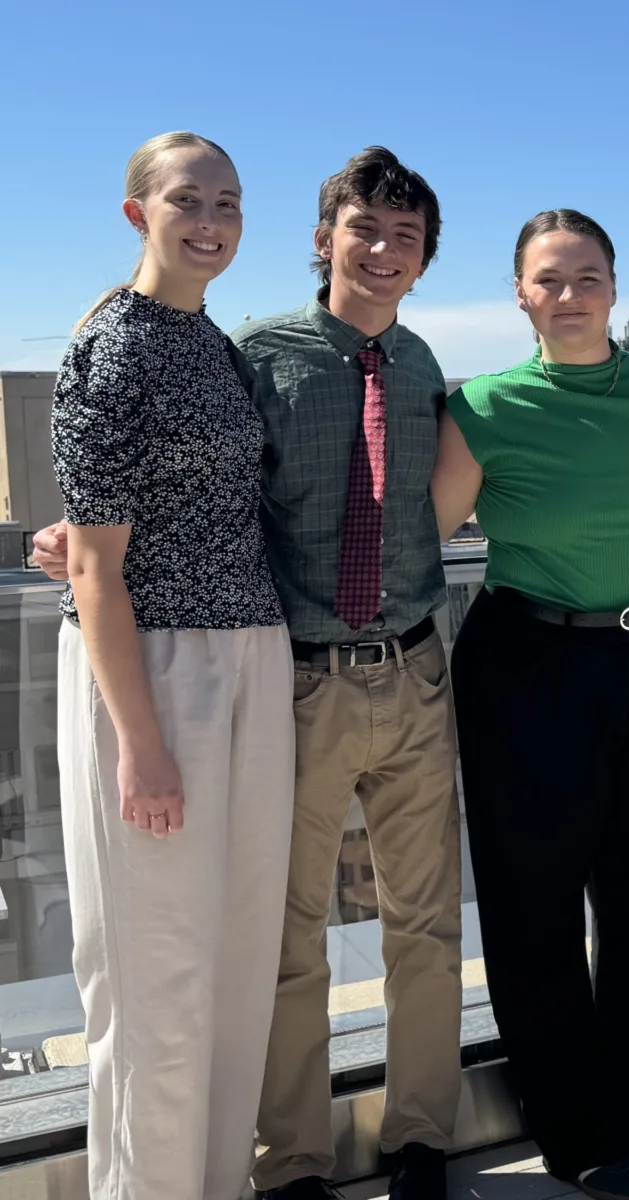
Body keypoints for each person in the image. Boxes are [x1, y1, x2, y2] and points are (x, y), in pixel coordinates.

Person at [38, 147, 463, 1200]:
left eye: (404, 238)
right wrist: (81, 548)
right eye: (362, 228)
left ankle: (420, 1142)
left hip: (401, 669)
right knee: (279, 940)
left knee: (422, 928)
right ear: (323, 240)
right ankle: (292, 1162)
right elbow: (150, 503)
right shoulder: (249, 353)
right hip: (291, 678)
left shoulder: (420, 370)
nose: (381, 250)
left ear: (423, 263)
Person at [432, 209, 629, 1200]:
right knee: (535, 906)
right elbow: (416, 531)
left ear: (614, 286)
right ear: (519, 293)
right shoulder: (485, 407)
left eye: (586, 275)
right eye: (548, 278)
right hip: (530, 666)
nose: (568, 294)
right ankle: (570, 1123)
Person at [51, 131, 293, 1200]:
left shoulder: (219, 348)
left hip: (250, 656)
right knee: (155, 974)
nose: (211, 221)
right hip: (150, 672)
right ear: (136, 213)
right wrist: (139, 745)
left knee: (235, 960)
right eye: (188, 200)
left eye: (229, 204)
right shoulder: (112, 346)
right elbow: (98, 572)